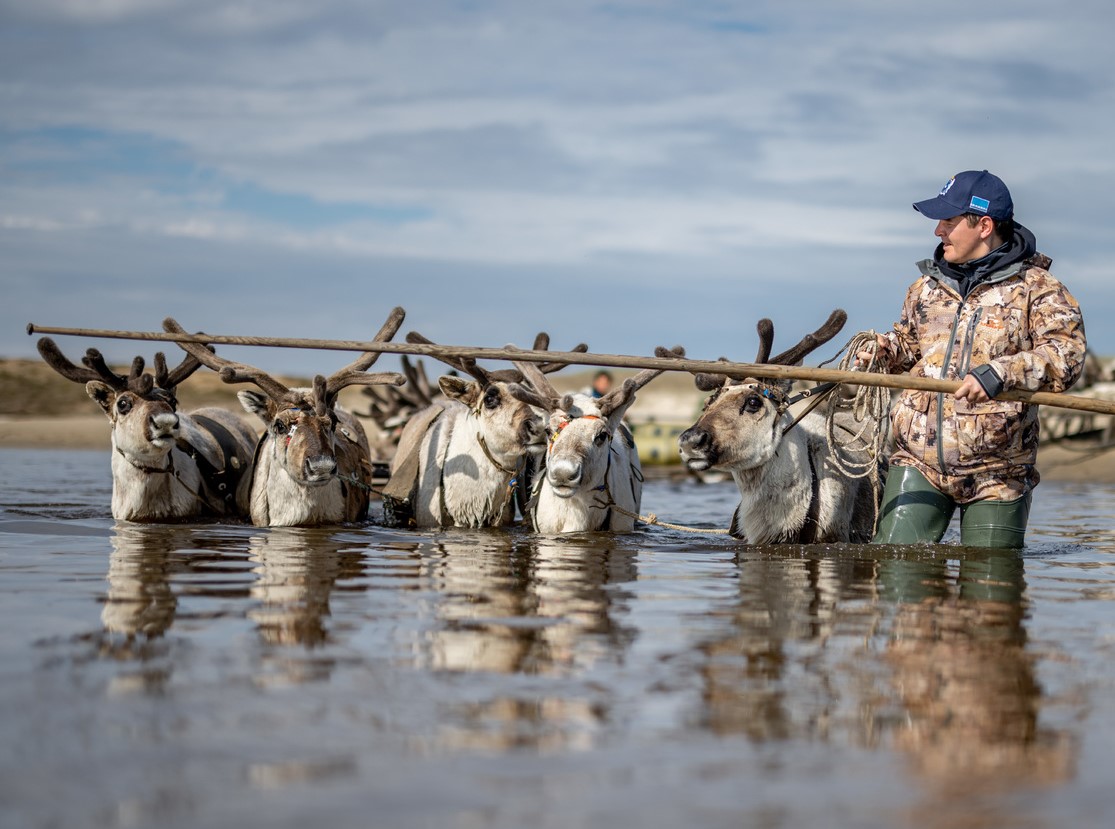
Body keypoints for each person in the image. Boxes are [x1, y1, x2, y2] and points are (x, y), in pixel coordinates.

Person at [858, 170, 1086, 548]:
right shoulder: (924, 289)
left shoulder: (1039, 289)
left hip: (999, 471)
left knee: (990, 585)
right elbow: (910, 346)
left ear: (983, 225)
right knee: (895, 564)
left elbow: (1066, 355)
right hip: (918, 460)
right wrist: (882, 351)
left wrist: (999, 373)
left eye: (948, 221)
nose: (938, 231)